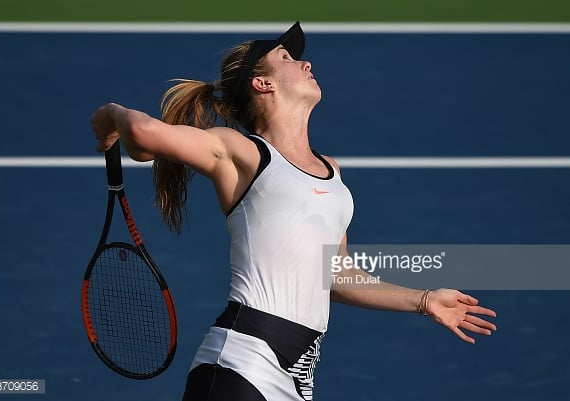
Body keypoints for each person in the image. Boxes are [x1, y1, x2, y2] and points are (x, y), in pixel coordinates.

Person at [91, 21, 497, 401]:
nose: (306, 62)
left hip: (296, 374)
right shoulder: (240, 151)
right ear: (262, 82)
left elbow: (334, 275)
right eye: (287, 58)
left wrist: (425, 300)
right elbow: (143, 136)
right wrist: (112, 113)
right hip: (243, 363)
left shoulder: (332, 172)